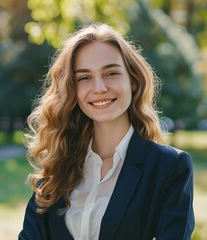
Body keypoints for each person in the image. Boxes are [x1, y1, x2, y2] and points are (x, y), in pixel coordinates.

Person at [19, 23, 195, 240]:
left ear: (133, 80)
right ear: (72, 89)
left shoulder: (170, 168)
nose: (99, 87)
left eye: (111, 73)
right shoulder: (56, 170)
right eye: (84, 77)